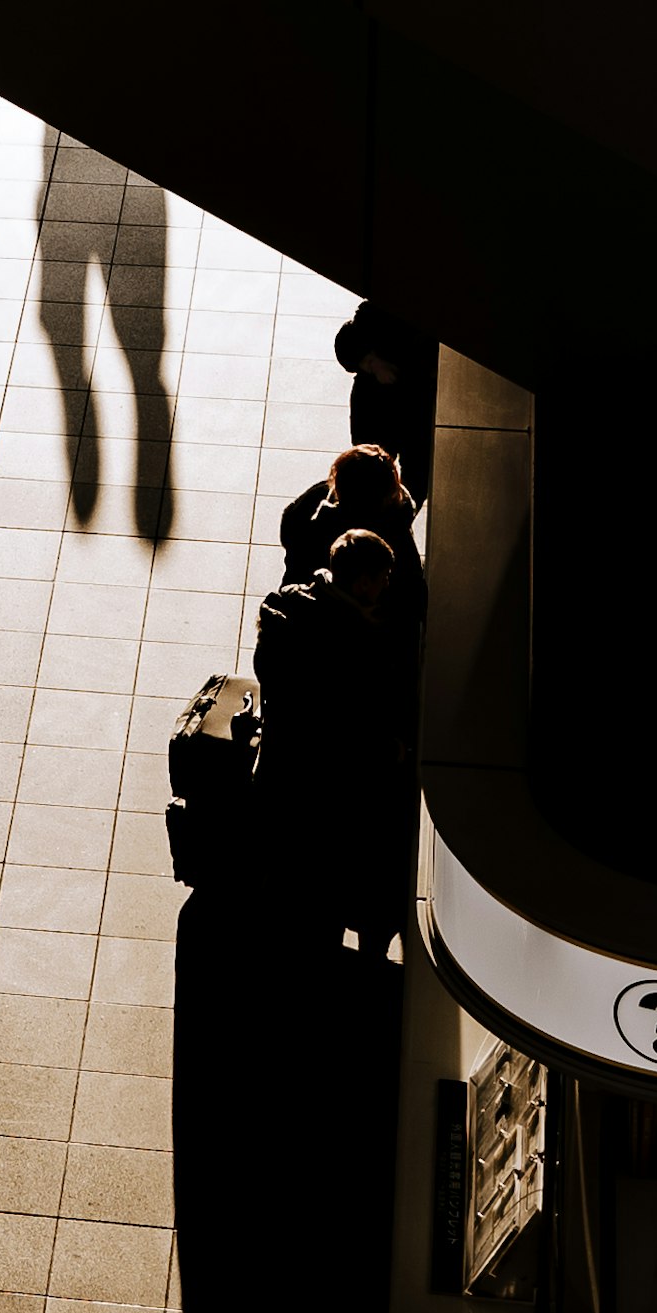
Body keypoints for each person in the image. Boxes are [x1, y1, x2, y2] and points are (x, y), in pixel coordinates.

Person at [249, 524, 413, 937]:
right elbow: (350, 721)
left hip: (284, 759)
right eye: (383, 577)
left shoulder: (290, 607)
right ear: (362, 582)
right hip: (328, 776)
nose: (387, 585)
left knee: (292, 862)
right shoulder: (354, 641)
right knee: (333, 867)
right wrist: (388, 748)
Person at [278, 441, 424, 637]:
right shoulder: (394, 536)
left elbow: (291, 526)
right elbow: (412, 596)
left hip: (312, 627)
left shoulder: (315, 508)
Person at [331, 299, 436, 504]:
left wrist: (372, 364)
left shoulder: (373, 318)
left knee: (380, 470)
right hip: (400, 403)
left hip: (405, 405)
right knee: (373, 469)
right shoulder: (373, 318)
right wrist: (373, 362)